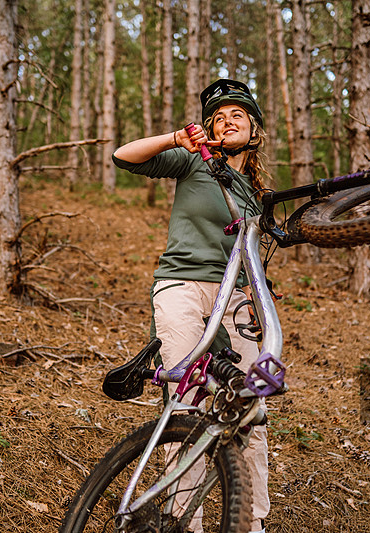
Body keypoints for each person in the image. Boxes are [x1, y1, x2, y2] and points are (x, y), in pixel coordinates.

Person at [112, 79, 271, 533]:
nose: (227, 121)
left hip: (234, 299)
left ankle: (252, 523)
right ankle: (184, 523)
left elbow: (253, 252)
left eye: (237, 115)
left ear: (254, 129)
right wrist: (175, 138)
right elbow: (124, 156)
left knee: (251, 409)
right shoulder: (194, 162)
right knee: (186, 406)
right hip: (181, 286)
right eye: (218, 117)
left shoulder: (255, 193)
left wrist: (256, 296)